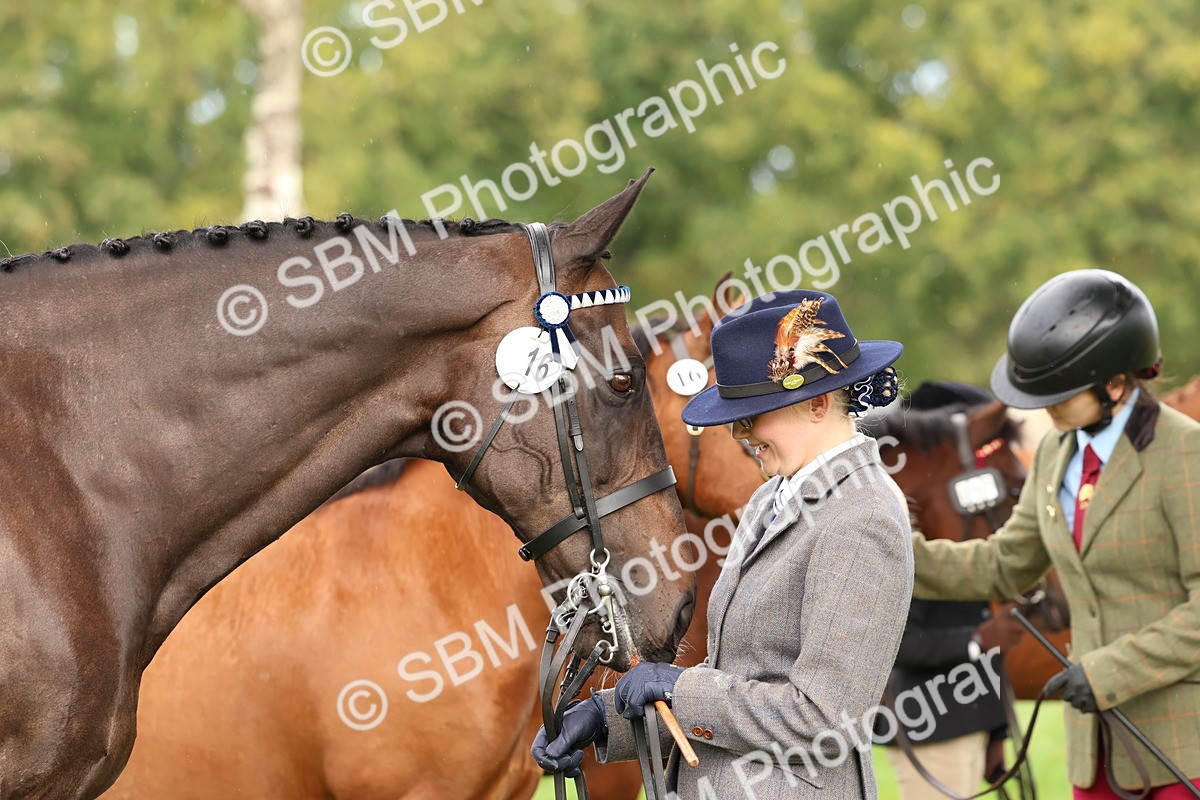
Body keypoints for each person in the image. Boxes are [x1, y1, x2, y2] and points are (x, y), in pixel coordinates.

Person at [531, 289, 915, 799]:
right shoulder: (767, 499)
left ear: (818, 403)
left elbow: (825, 716)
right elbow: (740, 676)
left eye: (753, 415)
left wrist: (677, 687)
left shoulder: (862, 517)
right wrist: (610, 718)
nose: (738, 433)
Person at [909, 269, 1200, 798]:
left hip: (1180, 746)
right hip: (1094, 752)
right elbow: (1002, 564)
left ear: (1115, 382)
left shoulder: (1185, 453)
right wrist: (894, 555)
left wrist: (1109, 672)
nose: (1044, 405)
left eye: (1059, 393)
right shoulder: (1054, 453)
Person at [870, 381, 1028, 799]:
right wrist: (977, 641)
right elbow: (890, 643)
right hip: (926, 723)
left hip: (970, 719)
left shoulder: (954, 537)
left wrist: (995, 730)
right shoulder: (896, 541)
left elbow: (978, 617)